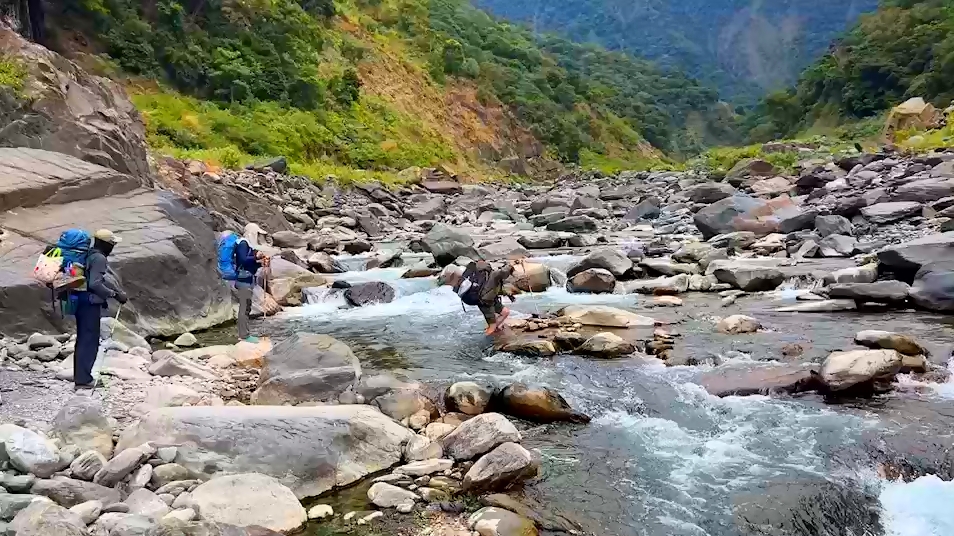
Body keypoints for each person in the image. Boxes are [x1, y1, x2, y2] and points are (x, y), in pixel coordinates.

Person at [74, 229, 127, 390]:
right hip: (89, 304)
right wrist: (113, 294)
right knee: (89, 341)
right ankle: (84, 380)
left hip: (80, 301)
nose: (113, 247)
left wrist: (115, 292)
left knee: (83, 339)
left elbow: (95, 280)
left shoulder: (89, 254)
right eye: (112, 244)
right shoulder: (99, 258)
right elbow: (95, 284)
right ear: (106, 244)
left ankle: (82, 377)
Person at [458, 259, 519, 334]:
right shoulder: (493, 274)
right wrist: (511, 264)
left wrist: (508, 295)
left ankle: (493, 330)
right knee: (492, 325)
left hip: (489, 299)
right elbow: (504, 272)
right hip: (485, 303)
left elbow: (495, 289)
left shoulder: (481, 276)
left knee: (505, 312)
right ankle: (486, 340)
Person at [234, 223, 268, 343]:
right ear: (252, 233)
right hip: (243, 281)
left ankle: (244, 334)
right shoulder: (243, 244)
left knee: (247, 307)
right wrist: (256, 257)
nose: (258, 237)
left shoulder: (247, 245)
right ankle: (244, 336)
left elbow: (248, 264)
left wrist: (260, 263)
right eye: (257, 234)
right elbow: (243, 260)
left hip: (247, 280)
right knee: (244, 308)